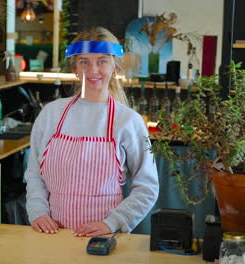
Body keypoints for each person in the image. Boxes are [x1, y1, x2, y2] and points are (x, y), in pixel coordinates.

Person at [24, 27, 159, 237]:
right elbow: (35, 175)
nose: (92, 70)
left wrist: (113, 222)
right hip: (52, 235)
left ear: (115, 68)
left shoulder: (128, 121)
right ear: (75, 68)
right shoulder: (51, 114)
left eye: (102, 61)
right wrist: (37, 213)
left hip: (105, 238)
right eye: (84, 62)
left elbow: (147, 187)